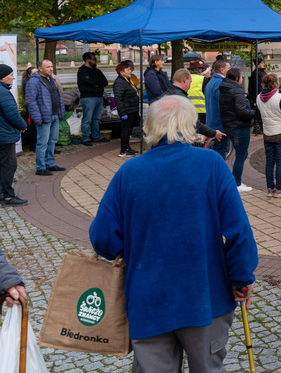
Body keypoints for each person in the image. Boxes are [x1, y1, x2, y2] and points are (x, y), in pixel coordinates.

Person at [90, 95, 257, 373]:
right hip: (206, 296)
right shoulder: (212, 164)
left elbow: (104, 241)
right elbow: (238, 231)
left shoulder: (129, 171)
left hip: (148, 299)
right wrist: (241, 278)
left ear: (150, 127)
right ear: (191, 126)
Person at [25, 59, 65, 177]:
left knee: (52, 141)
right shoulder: (33, 82)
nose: (51, 69)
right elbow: (31, 101)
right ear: (40, 69)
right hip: (43, 117)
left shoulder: (51, 79)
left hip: (54, 115)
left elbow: (58, 96)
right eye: (48, 67)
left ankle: (50, 163)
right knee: (42, 142)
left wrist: (60, 112)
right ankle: (41, 167)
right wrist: (37, 118)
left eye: (51, 66)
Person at [219, 68, 255, 192]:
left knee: (240, 155)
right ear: (236, 78)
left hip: (228, 126)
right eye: (240, 77)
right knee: (241, 155)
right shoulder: (236, 91)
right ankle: (237, 183)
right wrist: (254, 113)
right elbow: (242, 112)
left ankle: (234, 180)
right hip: (240, 127)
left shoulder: (224, 89)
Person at [165, 69, 224, 143]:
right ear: (185, 80)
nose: (189, 86)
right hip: (176, 140)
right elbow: (194, 123)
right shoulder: (182, 100)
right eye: (190, 82)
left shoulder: (164, 95)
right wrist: (214, 133)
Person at [0, 63, 28, 206]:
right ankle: (8, 197)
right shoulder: (3, 92)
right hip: (4, 136)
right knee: (8, 166)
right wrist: (22, 126)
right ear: (2, 77)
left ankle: (2, 194)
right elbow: (11, 114)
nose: (13, 77)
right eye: (11, 75)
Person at [77, 51, 109, 146]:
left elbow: (105, 82)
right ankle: (86, 138)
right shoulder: (82, 71)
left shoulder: (97, 71)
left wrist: (96, 84)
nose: (96, 61)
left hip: (99, 97)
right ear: (88, 60)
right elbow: (90, 82)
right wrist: (96, 84)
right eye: (94, 59)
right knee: (87, 119)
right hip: (88, 98)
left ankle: (97, 136)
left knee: (96, 119)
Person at [204, 59, 231, 159]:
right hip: (221, 126)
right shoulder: (221, 84)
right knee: (220, 155)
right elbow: (223, 108)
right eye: (229, 68)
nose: (230, 70)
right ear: (222, 70)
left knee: (214, 155)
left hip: (211, 124)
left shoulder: (210, 83)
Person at [113, 62, 140, 158]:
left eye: (130, 69)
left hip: (132, 109)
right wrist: (123, 113)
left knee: (129, 130)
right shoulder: (119, 83)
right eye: (127, 70)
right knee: (125, 130)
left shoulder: (127, 80)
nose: (130, 71)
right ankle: (123, 150)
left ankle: (127, 147)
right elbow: (118, 99)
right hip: (127, 110)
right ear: (121, 72)